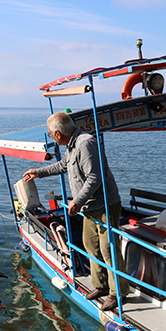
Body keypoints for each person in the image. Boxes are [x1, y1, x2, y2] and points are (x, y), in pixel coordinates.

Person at [23, 111, 129, 311]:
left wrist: (77, 202)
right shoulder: (72, 146)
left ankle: (118, 293)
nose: (51, 136)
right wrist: (38, 172)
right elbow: (64, 165)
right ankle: (101, 286)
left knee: (108, 249)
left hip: (104, 206)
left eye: (50, 134)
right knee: (91, 247)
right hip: (90, 207)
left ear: (57, 133)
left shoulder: (85, 143)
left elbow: (94, 178)